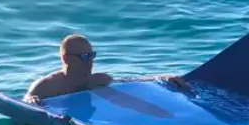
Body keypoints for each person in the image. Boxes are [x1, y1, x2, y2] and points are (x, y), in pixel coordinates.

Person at [25, 34, 189, 103]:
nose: (89, 62)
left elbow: (131, 81)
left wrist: (165, 77)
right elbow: (26, 103)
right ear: (65, 58)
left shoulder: (97, 80)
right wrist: (30, 101)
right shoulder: (45, 86)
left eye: (92, 55)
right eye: (84, 57)